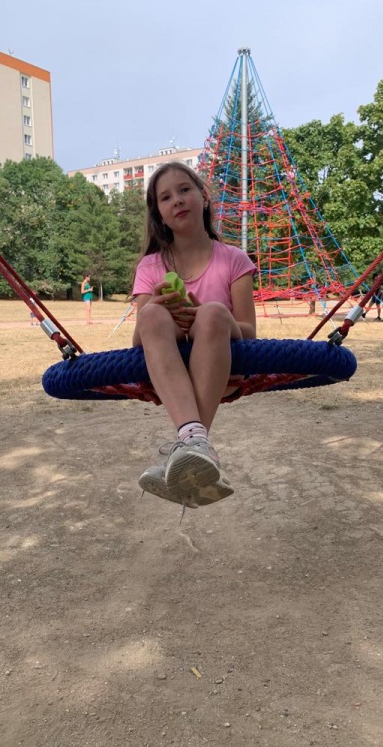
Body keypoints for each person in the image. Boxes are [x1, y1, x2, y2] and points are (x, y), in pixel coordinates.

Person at [131, 161, 256, 511]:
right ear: (159, 213)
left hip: (225, 373)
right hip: (167, 376)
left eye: (184, 189)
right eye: (165, 197)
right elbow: (138, 341)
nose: (177, 200)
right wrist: (157, 306)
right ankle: (198, 449)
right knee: (150, 313)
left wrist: (213, 317)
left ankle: (188, 444)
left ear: (203, 196)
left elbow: (249, 333)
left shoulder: (234, 260)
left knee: (212, 312)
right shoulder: (150, 266)